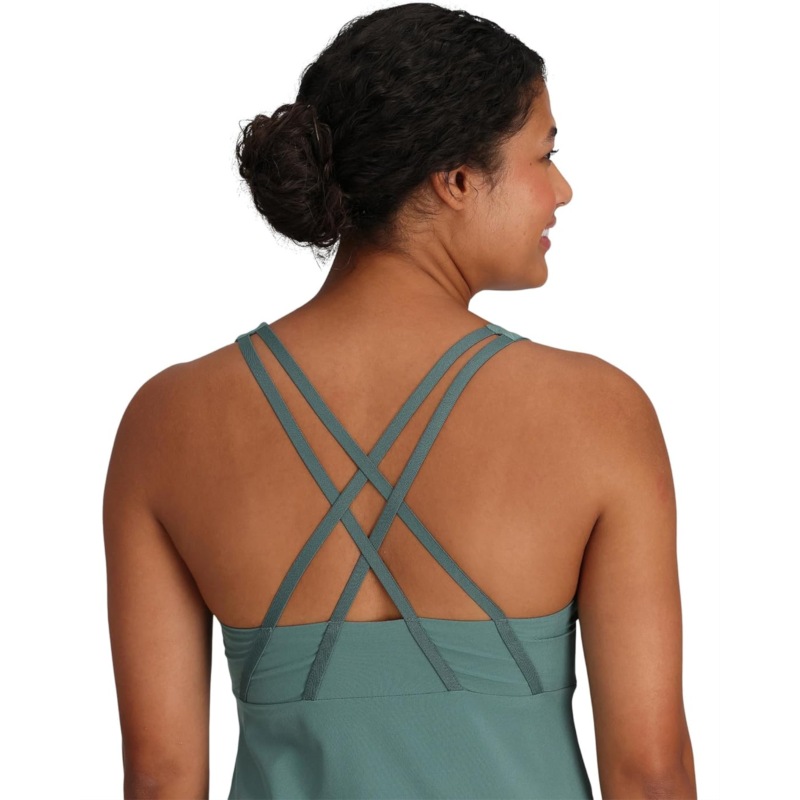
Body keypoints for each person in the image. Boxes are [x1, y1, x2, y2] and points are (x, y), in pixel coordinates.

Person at [102, 3, 697, 799]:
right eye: (545, 155)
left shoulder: (166, 422)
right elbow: (650, 775)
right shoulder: (600, 413)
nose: (562, 190)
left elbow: (160, 780)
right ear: (457, 180)